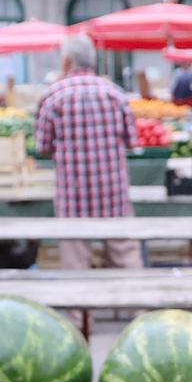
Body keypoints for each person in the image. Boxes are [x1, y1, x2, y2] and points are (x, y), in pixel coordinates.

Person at [33, 34, 140, 270]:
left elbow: (42, 147)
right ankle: (136, 305)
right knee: (125, 256)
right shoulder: (115, 94)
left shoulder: (52, 97)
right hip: (113, 193)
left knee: (76, 263)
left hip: (74, 195)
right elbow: (133, 142)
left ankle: (78, 307)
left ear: (66, 61)